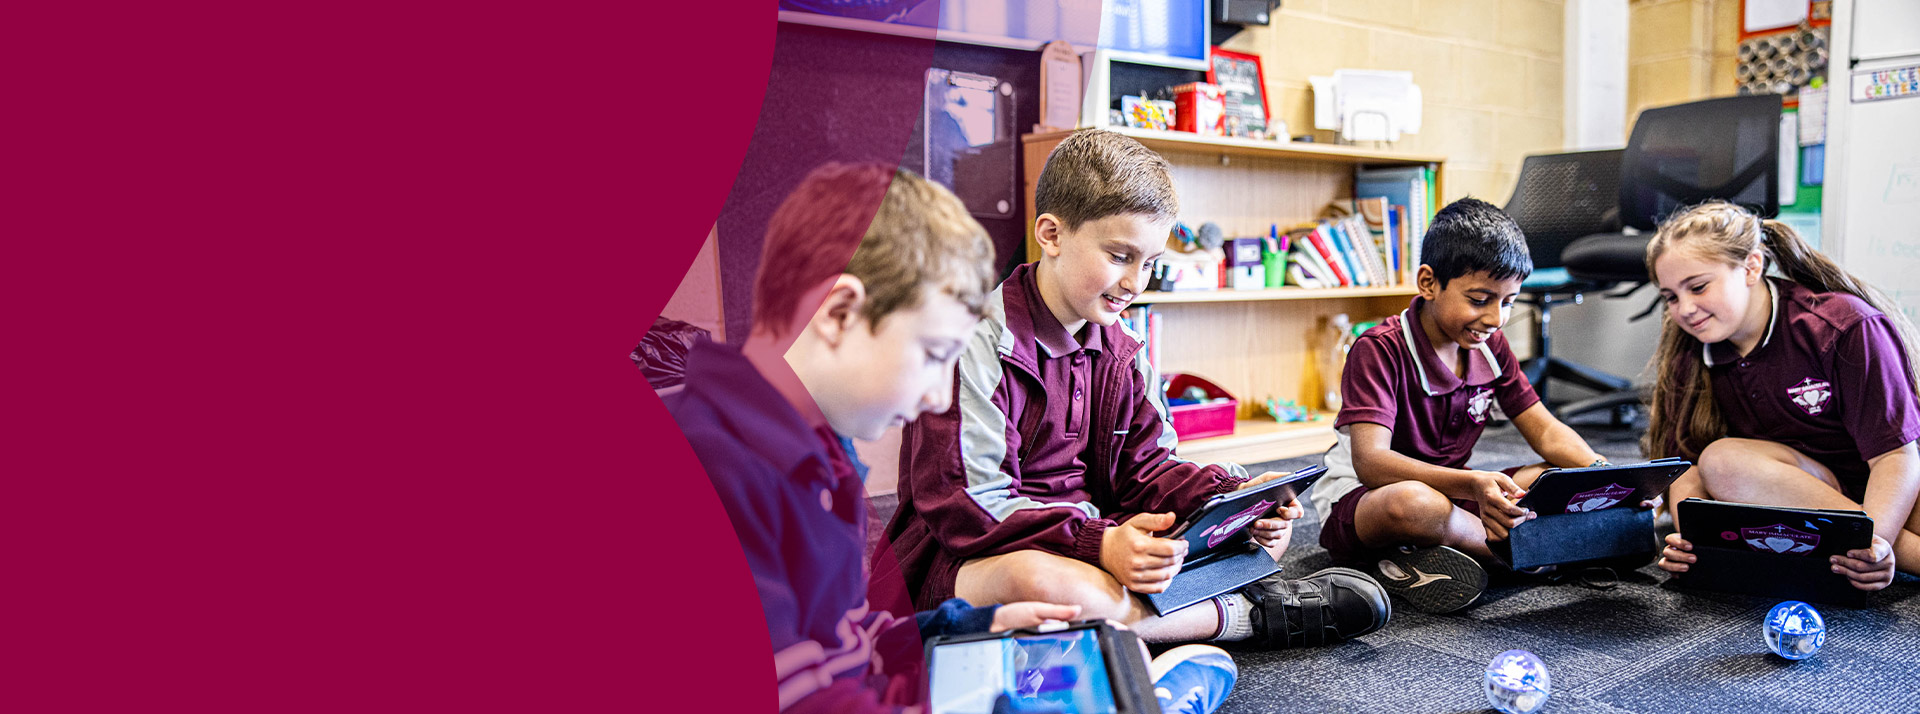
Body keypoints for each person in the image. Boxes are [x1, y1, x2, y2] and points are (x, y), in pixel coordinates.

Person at [666, 162, 1237, 713]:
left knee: (1082, 660)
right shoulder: (722, 471)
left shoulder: (818, 459)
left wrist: (971, 628)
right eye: (935, 356)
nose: (941, 397)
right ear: (840, 314)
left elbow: (846, 642)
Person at [886, 129, 1391, 650]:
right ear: (1052, 235)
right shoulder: (973, 341)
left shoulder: (1124, 345)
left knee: (1256, 543)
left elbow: (1149, 469)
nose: (1136, 283)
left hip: (1096, 536)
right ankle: (1243, 614)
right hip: (969, 556)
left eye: (1149, 262)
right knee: (1043, 585)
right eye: (1120, 255)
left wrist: (1229, 499)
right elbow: (968, 506)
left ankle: (1150, 602)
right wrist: (1099, 543)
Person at [1306, 198, 1618, 614]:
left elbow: (1544, 429)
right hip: (1366, 500)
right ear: (1429, 282)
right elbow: (1372, 463)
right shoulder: (1378, 349)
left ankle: (1426, 557)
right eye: (1480, 299)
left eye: (1508, 302)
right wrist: (1473, 486)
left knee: (1557, 476)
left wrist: (1605, 476)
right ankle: (1533, 553)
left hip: (1457, 491)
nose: (1495, 318)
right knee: (1418, 505)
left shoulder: (1491, 345)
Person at [1644, 201, 1920, 593]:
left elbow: (1897, 457)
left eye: (1699, 286)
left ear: (1752, 268)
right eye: (1670, 297)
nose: (1684, 309)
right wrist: (1690, 539)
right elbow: (1687, 462)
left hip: (1897, 483)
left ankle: (1854, 543)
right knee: (1722, 462)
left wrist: (1874, 542)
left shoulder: (1843, 326)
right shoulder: (1691, 345)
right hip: (1801, 491)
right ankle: (1852, 543)